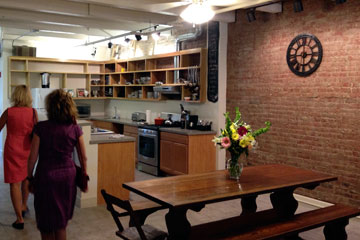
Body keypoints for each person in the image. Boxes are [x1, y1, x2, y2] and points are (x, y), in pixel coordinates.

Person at [27, 89, 87, 240]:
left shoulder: (41, 128)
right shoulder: (75, 129)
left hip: (46, 175)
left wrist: (29, 178)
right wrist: (84, 175)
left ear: (50, 108)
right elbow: (83, 157)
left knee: (46, 223)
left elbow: (32, 158)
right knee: (61, 223)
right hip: (68, 176)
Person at [0, 85, 37, 230]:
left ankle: (19, 219)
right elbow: (37, 132)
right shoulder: (33, 112)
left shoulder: (9, 112)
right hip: (28, 149)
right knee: (26, 178)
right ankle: (23, 205)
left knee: (14, 183)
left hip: (12, 150)